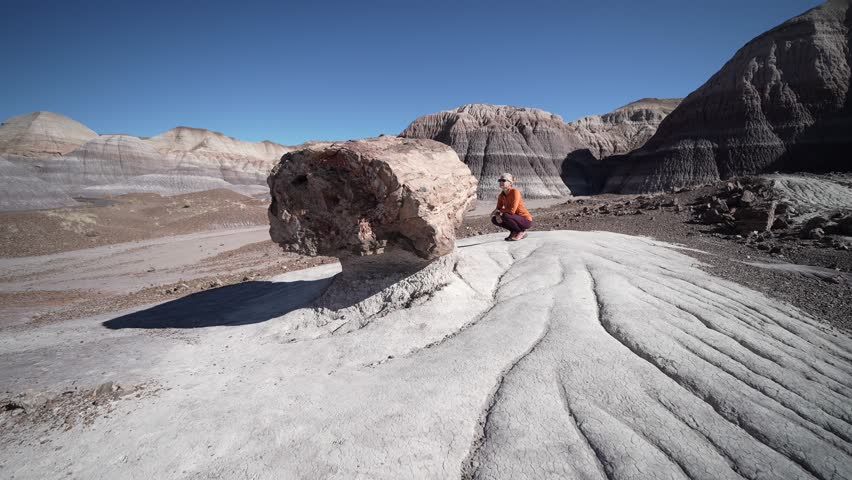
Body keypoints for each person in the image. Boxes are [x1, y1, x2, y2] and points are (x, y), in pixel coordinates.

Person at [491, 173, 533, 241]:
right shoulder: (501, 195)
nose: (501, 182)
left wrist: (499, 211)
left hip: (525, 220)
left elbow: (512, 211)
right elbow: (498, 208)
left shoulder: (515, 192)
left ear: (510, 183)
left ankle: (521, 231)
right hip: (514, 218)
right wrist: (497, 214)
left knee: (505, 215)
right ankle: (514, 231)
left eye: (503, 180)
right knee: (494, 219)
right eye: (500, 180)